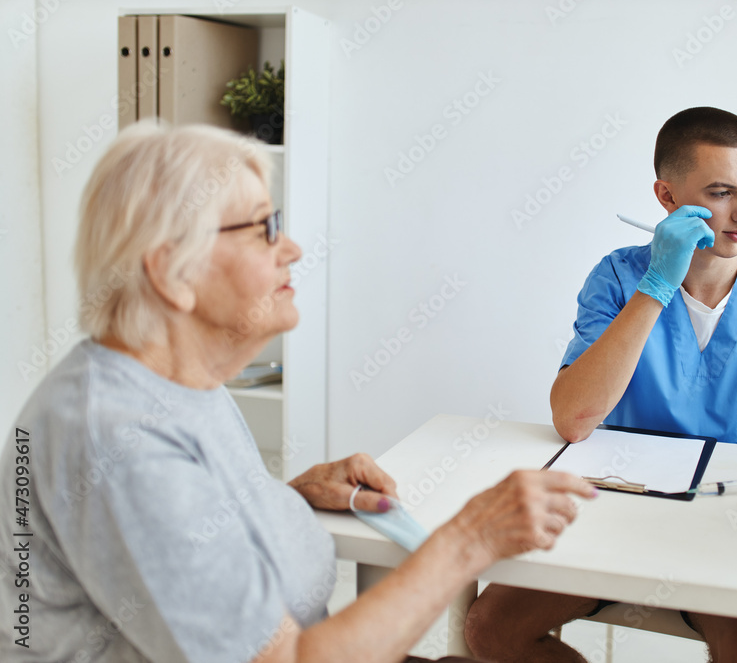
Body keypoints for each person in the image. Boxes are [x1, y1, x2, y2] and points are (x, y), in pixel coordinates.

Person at [0, 122, 596, 663]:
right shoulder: (115, 435)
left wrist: (286, 498)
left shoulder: (178, 383)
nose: (291, 249)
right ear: (171, 272)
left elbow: (180, 538)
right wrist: (469, 538)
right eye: (263, 229)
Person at [464, 107, 737, 663]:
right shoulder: (618, 277)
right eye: (721, 191)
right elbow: (574, 419)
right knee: (491, 629)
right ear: (666, 196)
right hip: (613, 517)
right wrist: (656, 285)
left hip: (733, 527)